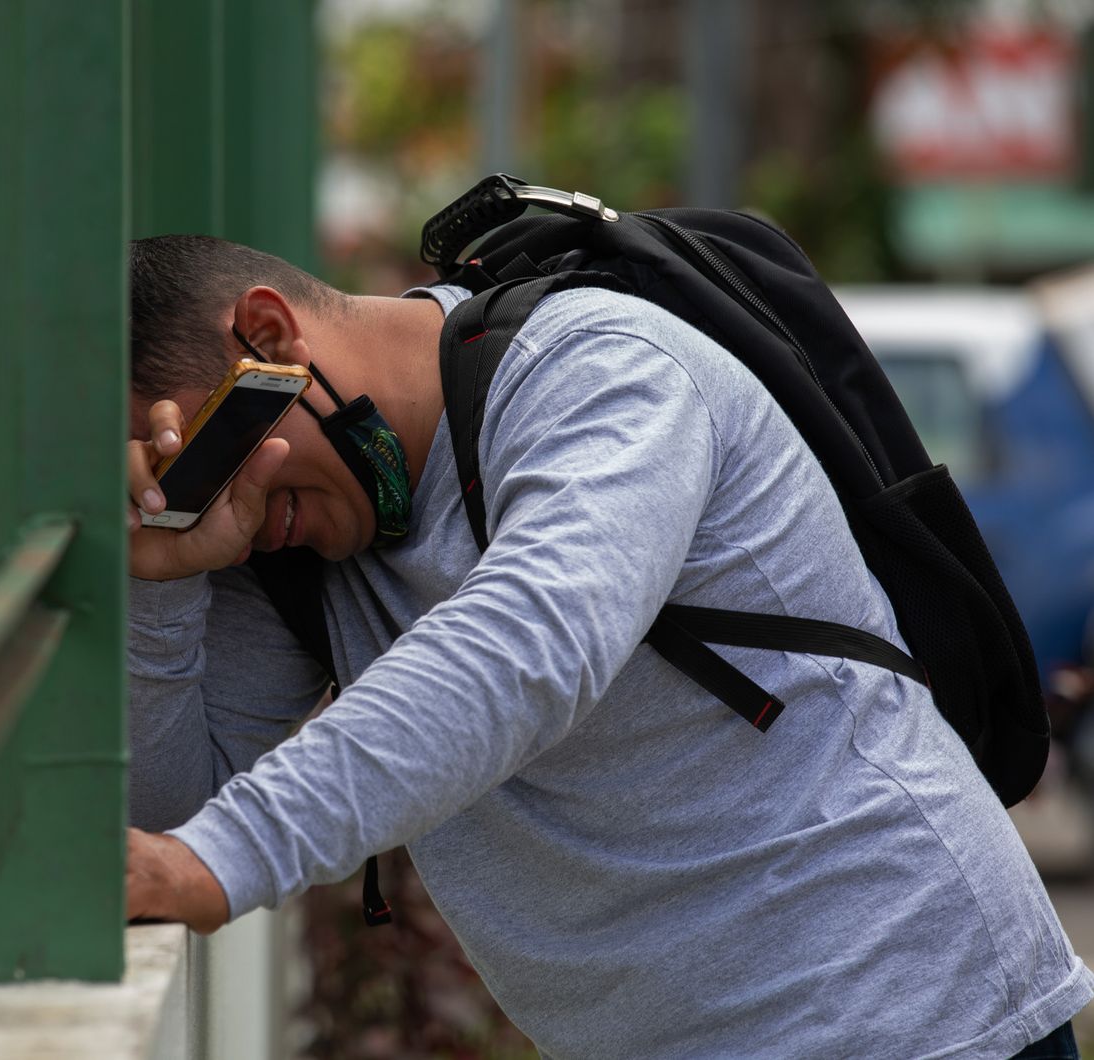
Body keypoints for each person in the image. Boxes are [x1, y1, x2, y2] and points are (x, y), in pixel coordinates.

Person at [122, 233, 1093, 1059]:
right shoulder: (292, 536)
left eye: (200, 459)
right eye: (166, 484)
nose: (212, 505)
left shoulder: (600, 368)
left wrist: (226, 859)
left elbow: (530, 643)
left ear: (267, 334)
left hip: (914, 1018)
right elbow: (169, 819)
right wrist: (163, 573)